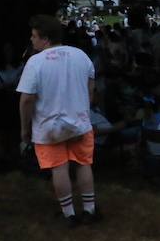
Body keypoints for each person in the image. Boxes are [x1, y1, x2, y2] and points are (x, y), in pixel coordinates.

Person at [17, 15, 99, 226]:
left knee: (59, 168)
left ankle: (69, 214)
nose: (31, 40)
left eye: (34, 36)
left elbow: (26, 100)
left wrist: (25, 130)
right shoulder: (81, 56)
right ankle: (89, 211)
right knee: (83, 164)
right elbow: (90, 87)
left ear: (45, 39)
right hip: (80, 122)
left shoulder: (36, 62)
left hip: (48, 126)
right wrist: (83, 109)